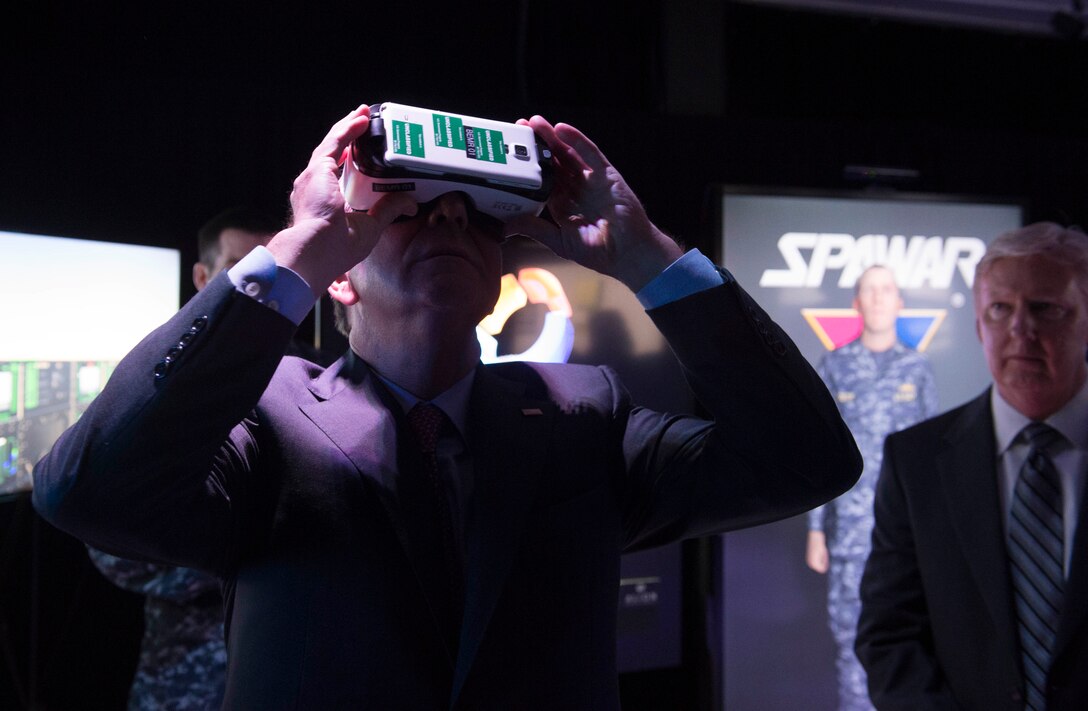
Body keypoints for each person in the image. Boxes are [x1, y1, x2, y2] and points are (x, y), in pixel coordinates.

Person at [33, 104, 861, 709]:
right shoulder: (267, 412)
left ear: (501, 274)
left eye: (474, 213)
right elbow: (88, 489)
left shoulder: (582, 411)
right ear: (343, 275)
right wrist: (297, 251)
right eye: (412, 208)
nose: (452, 216)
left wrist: (649, 260)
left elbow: (806, 458)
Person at [857, 222, 1088, 710]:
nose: (1020, 330)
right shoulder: (915, 462)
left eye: (1045, 308)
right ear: (979, 326)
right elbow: (889, 638)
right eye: (1000, 309)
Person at [85, 206, 278, 711]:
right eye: (244, 270)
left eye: (276, 270)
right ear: (202, 276)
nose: (263, 289)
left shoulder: (316, 374)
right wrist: (247, 553)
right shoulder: (157, 380)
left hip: (283, 672)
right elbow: (110, 545)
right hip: (186, 679)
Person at [805, 265, 938, 711]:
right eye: (869, 290)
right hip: (849, 536)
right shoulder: (835, 365)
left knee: (911, 643)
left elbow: (932, 456)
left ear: (899, 303)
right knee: (852, 644)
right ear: (857, 304)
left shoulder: (917, 369)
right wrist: (816, 530)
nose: (879, 298)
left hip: (907, 536)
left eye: (887, 290)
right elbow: (820, 454)